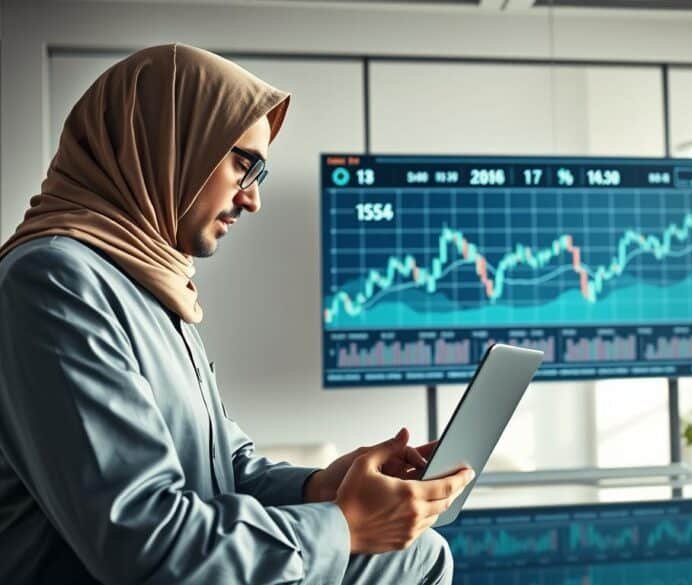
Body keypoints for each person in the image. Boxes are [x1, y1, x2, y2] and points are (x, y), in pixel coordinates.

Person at [0, 43, 474, 585]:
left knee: (420, 554)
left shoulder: (150, 287)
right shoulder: (56, 282)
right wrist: (344, 525)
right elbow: (147, 546)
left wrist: (321, 487)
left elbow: (225, 466)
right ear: (167, 145)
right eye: (243, 166)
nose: (251, 200)